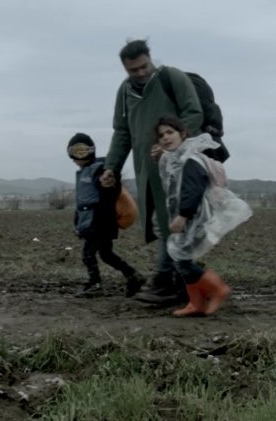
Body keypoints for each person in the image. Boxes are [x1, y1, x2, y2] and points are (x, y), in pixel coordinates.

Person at [100, 39, 204, 306]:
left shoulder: (171, 78)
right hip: (147, 171)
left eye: (144, 66)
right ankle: (179, 282)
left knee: (171, 223)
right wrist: (112, 166)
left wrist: (170, 144)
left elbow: (194, 114)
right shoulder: (125, 91)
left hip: (178, 169)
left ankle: (167, 280)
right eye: (133, 70)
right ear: (125, 68)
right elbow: (122, 132)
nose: (140, 73)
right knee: (163, 225)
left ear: (150, 59)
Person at [154, 115, 252, 316]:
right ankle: (196, 303)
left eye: (170, 132)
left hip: (195, 219)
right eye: (161, 135)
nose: (165, 137)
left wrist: (183, 216)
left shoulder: (191, 159)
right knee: (181, 259)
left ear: (182, 134)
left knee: (181, 260)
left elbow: (193, 190)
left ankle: (218, 289)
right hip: (188, 218)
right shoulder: (176, 159)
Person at [67, 133, 146, 298]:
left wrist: (111, 179)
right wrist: (78, 223)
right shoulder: (84, 173)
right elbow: (82, 204)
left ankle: (95, 284)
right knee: (106, 255)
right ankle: (134, 276)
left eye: (82, 150)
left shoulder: (100, 170)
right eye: (75, 151)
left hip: (99, 223)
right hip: (94, 222)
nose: (79, 156)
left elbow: (111, 187)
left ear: (91, 150)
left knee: (88, 255)